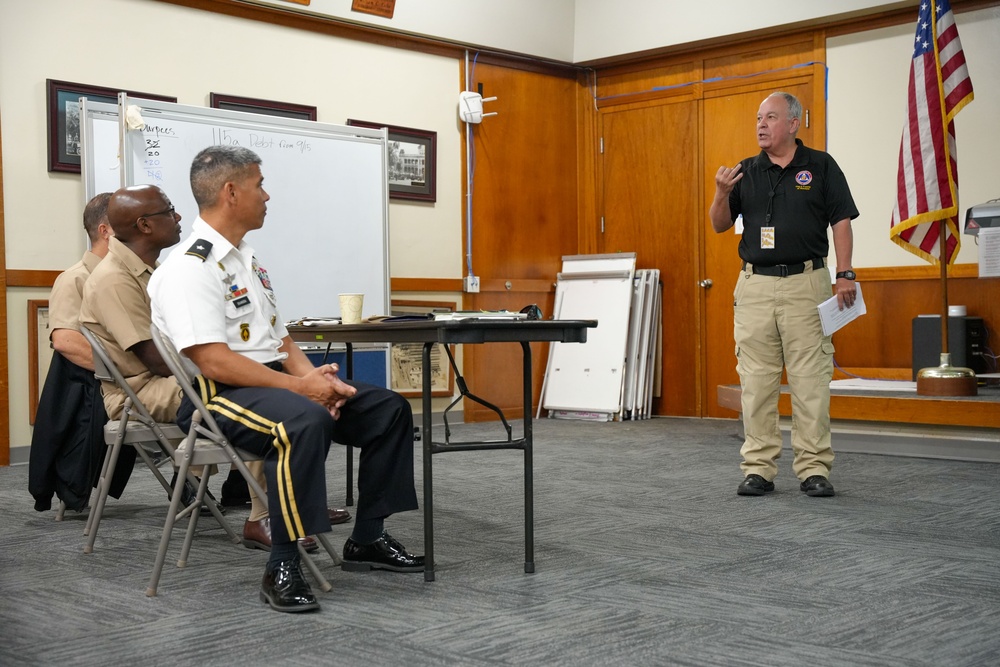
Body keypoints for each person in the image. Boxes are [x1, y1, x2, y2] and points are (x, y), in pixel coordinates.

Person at [148, 145, 423, 614]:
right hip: (220, 395)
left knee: (388, 409)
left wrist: (316, 380)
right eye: (259, 185)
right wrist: (301, 391)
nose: (267, 194)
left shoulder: (246, 260)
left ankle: (367, 537)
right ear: (231, 192)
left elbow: (281, 342)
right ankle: (282, 564)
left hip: (272, 384)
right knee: (304, 421)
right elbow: (213, 362)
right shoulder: (188, 268)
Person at [708, 91, 859, 499]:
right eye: (758, 118)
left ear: (793, 124)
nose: (761, 124)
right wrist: (721, 193)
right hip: (755, 285)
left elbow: (841, 222)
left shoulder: (822, 166)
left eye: (770, 117)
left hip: (807, 283)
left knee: (811, 380)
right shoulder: (745, 172)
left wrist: (844, 273)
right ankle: (758, 468)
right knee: (756, 382)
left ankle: (813, 468)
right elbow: (720, 225)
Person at [28, 193, 120, 511]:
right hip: (99, 387)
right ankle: (192, 483)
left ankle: (202, 482)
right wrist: (126, 373)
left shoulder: (133, 278)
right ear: (106, 230)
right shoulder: (75, 279)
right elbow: (66, 342)